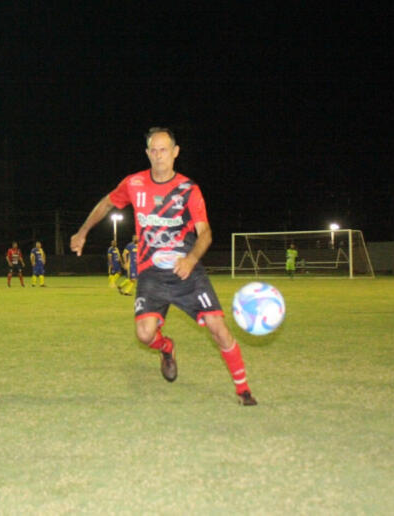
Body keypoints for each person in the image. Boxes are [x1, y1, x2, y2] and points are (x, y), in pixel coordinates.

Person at [70, 127, 257, 406]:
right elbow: (107, 203)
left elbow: (205, 233)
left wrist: (191, 259)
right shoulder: (134, 184)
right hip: (151, 274)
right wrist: (83, 231)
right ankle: (166, 347)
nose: (159, 156)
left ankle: (243, 389)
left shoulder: (188, 190)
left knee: (218, 328)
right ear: (147, 154)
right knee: (144, 334)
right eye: (153, 151)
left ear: (175, 152)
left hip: (186, 272)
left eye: (164, 150)